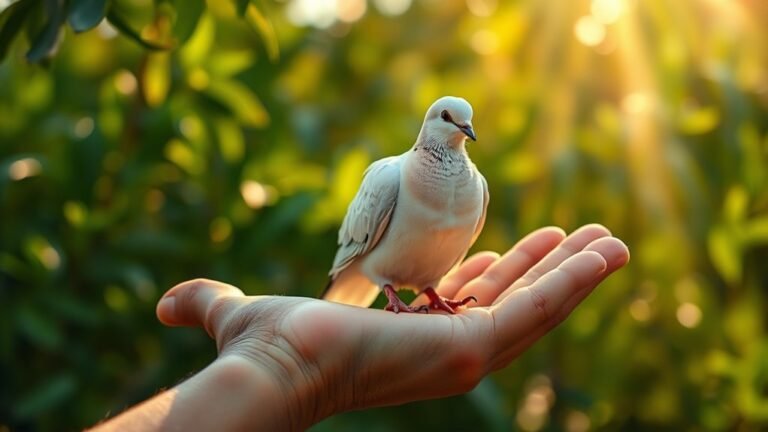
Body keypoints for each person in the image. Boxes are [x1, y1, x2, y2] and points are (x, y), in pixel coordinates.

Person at [90, 224, 629, 431]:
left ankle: (423, 296)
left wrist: (284, 369)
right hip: (371, 272)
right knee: (388, 282)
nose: (463, 132)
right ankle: (398, 296)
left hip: (421, 281)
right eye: (451, 121)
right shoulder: (392, 175)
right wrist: (282, 364)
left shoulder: (473, 186)